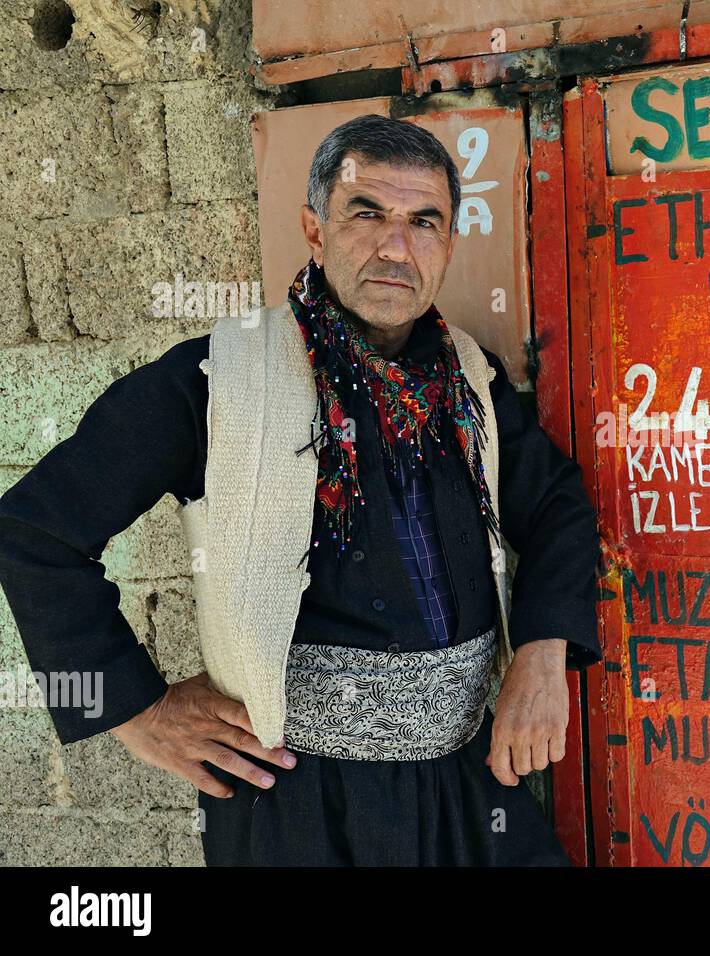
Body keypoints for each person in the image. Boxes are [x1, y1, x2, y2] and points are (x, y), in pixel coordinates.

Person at [0, 114, 601, 866]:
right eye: (367, 213)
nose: (395, 247)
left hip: (467, 791)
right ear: (313, 228)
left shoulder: (468, 379)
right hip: (297, 808)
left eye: (424, 222)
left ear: (448, 244)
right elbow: (31, 532)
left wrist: (544, 652)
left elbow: (558, 508)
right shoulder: (220, 380)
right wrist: (133, 710)